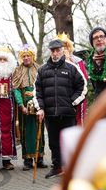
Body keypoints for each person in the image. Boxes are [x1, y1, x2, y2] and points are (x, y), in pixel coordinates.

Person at [34, 39, 87, 179]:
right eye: (53, 50)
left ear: (63, 50)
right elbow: (37, 91)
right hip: (50, 115)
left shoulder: (72, 68)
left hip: (68, 113)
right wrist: (40, 108)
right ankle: (57, 167)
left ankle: (72, 168)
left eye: (58, 50)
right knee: (54, 143)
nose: (55, 53)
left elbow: (83, 86)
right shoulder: (42, 69)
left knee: (70, 141)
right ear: (50, 52)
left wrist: (73, 102)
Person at [12, 45, 48, 171]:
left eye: (28, 56)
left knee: (39, 130)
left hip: (38, 103)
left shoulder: (40, 69)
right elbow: (16, 89)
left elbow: (43, 87)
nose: (26, 58)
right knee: (25, 132)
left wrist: (41, 104)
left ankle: (39, 158)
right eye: (24, 56)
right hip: (24, 107)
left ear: (32, 56)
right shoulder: (17, 71)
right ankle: (27, 160)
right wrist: (21, 105)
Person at [57, 32, 88, 126]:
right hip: (61, 99)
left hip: (76, 97)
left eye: (65, 47)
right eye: (61, 47)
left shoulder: (78, 61)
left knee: (78, 121)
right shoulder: (54, 63)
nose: (64, 50)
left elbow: (84, 80)